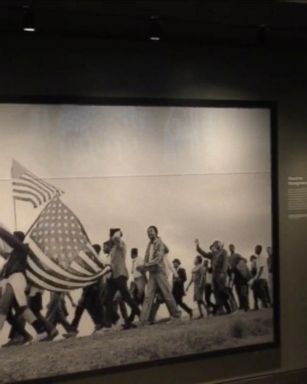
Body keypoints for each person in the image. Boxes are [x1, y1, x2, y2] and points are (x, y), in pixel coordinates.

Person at [0, 226, 56, 341]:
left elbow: (9, 239)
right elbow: (3, 251)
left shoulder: (23, 249)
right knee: (22, 308)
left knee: (3, 305)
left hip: (17, 278)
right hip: (10, 280)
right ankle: (41, 332)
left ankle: (38, 333)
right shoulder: (12, 254)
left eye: (14, 238)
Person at [140, 226, 181, 324]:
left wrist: (145, 265)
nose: (149, 233)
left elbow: (158, 259)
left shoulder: (159, 243)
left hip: (159, 271)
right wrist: (144, 267)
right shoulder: (149, 245)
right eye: (148, 232)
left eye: (151, 231)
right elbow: (147, 258)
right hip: (152, 273)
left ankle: (176, 316)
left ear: (156, 232)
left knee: (166, 293)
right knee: (148, 296)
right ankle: (144, 320)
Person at [105, 228, 140, 329]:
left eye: (110, 235)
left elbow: (116, 237)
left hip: (121, 275)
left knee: (126, 297)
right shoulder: (113, 249)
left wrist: (118, 232)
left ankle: (141, 315)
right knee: (107, 300)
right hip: (113, 277)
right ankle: (108, 325)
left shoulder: (121, 245)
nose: (109, 237)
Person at [195, 239, 231, 315]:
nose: (214, 245)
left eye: (215, 244)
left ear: (219, 244)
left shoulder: (224, 252)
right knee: (216, 293)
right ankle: (221, 310)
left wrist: (223, 272)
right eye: (214, 244)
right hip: (214, 275)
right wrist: (198, 246)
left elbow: (225, 262)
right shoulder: (213, 254)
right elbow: (204, 254)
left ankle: (228, 308)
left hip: (221, 274)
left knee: (222, 291)